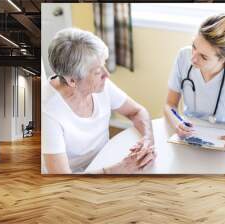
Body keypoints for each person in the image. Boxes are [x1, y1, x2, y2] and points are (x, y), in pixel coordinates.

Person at [42, 28, 156, 174]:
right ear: (72, 80)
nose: (106, 75)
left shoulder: (100, 85)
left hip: (104, 161)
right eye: (97, 72)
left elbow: (137, 111)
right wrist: (121, 168)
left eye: (104, 65)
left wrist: (148, 139)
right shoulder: (48, 112)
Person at [164, 14, 225, 150]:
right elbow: (169, 104)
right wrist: (177, 122)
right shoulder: (183, 56)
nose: (193, 59)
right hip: (189, 139)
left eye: (203, 57)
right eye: (194, 46)